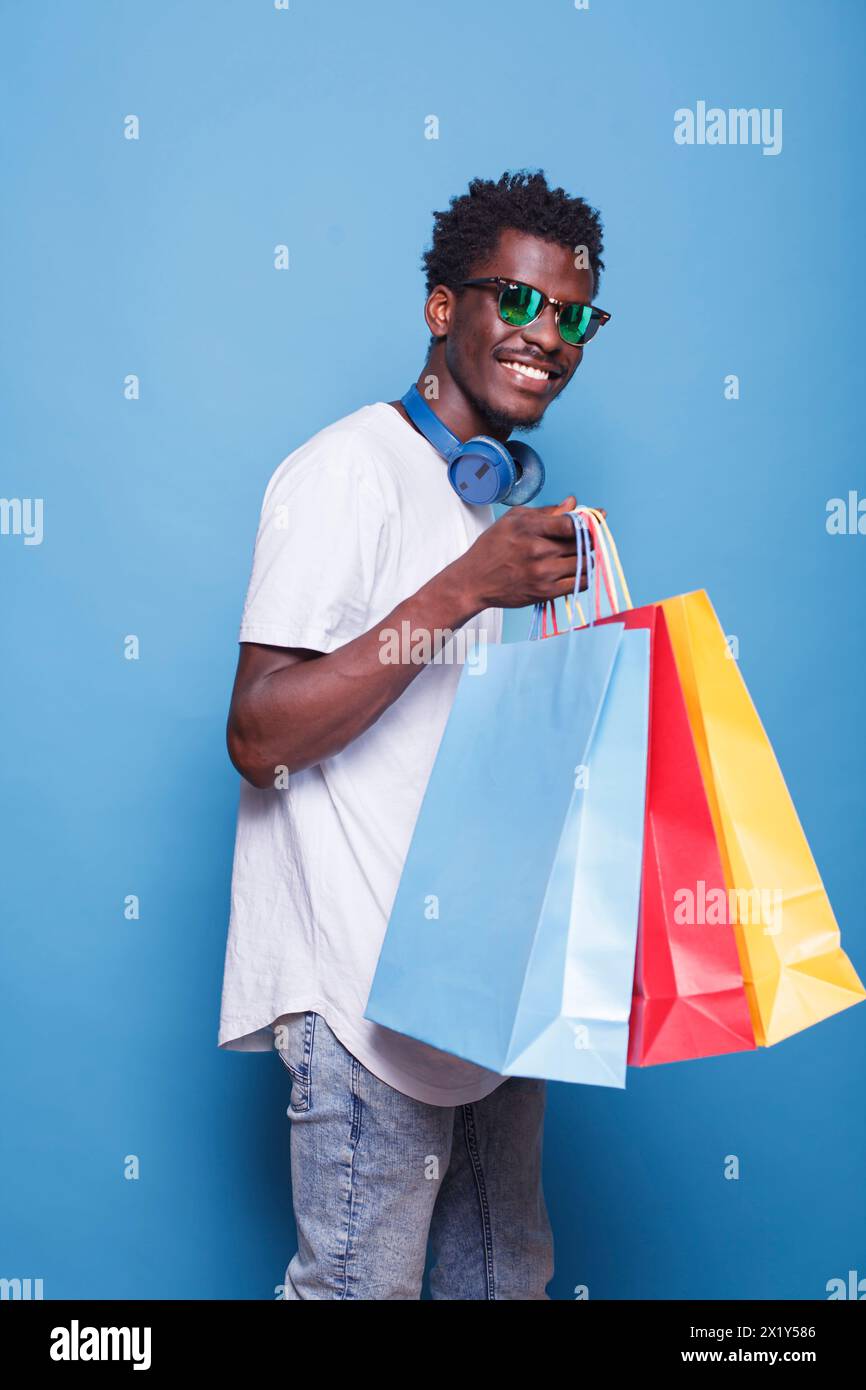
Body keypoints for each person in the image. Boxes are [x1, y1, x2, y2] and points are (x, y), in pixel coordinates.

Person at [218, 169, 609, 1300]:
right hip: (359, 988)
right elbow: (258, 735)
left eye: (573, 314)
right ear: (443, 309)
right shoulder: (348, 471)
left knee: (504, 1281)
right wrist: (460, 588)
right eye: (517, 301)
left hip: (482, 983)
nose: (548, 334)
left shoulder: (487, 507)